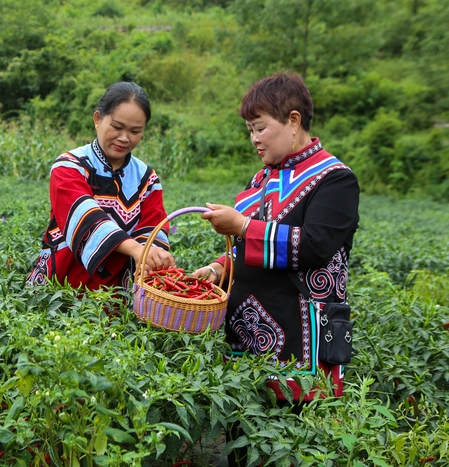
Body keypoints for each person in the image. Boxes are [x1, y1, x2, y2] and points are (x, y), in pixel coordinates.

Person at [191, 73, 360, 466]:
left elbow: (315, 245)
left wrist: (241, 226)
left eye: (261, 127)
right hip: (245, 339)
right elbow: (246, 249)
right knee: (241, 445)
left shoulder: (335, 179)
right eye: (250, 130)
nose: (254, 139)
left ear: (294, 121)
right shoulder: (261, 179)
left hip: (300, 344)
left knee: (288, 447)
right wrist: (218, 268)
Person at [27, 81, 175, 290]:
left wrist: (152, 256)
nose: (124, 138)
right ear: (98, 119)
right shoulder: (69, 166)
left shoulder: (147, 179)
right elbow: (84, 218)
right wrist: (137, 250)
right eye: (117, 127)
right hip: (60, 288)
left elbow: (153, 228)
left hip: (117, 294)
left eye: (135, 131)